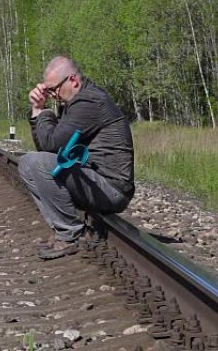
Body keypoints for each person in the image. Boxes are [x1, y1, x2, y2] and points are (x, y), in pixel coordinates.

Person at [18, 56, 135, 260]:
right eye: (49, 91)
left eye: (53, 89)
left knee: (34, 162)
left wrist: (40, 111)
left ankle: (70, 235)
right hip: (98, 182)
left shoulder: (88, 102)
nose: (53, 96)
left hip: (111, 189)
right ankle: (68, 230)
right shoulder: (76, 102)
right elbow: (48, 148)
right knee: (30, 163)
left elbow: (51, 146)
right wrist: (39, 112)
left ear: (72, 80)